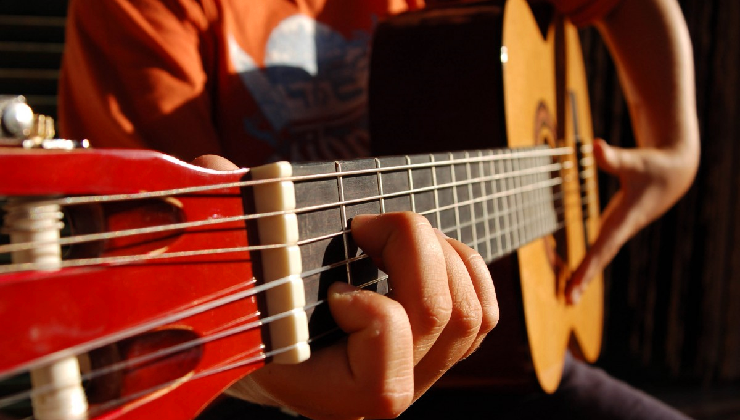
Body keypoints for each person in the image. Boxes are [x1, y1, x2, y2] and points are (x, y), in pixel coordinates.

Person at [58, 0, 699, 419]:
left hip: (494, 350)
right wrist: (262, 380)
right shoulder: (137, 10)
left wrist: (678, 147)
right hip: (275, 375)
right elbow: (157, 285)